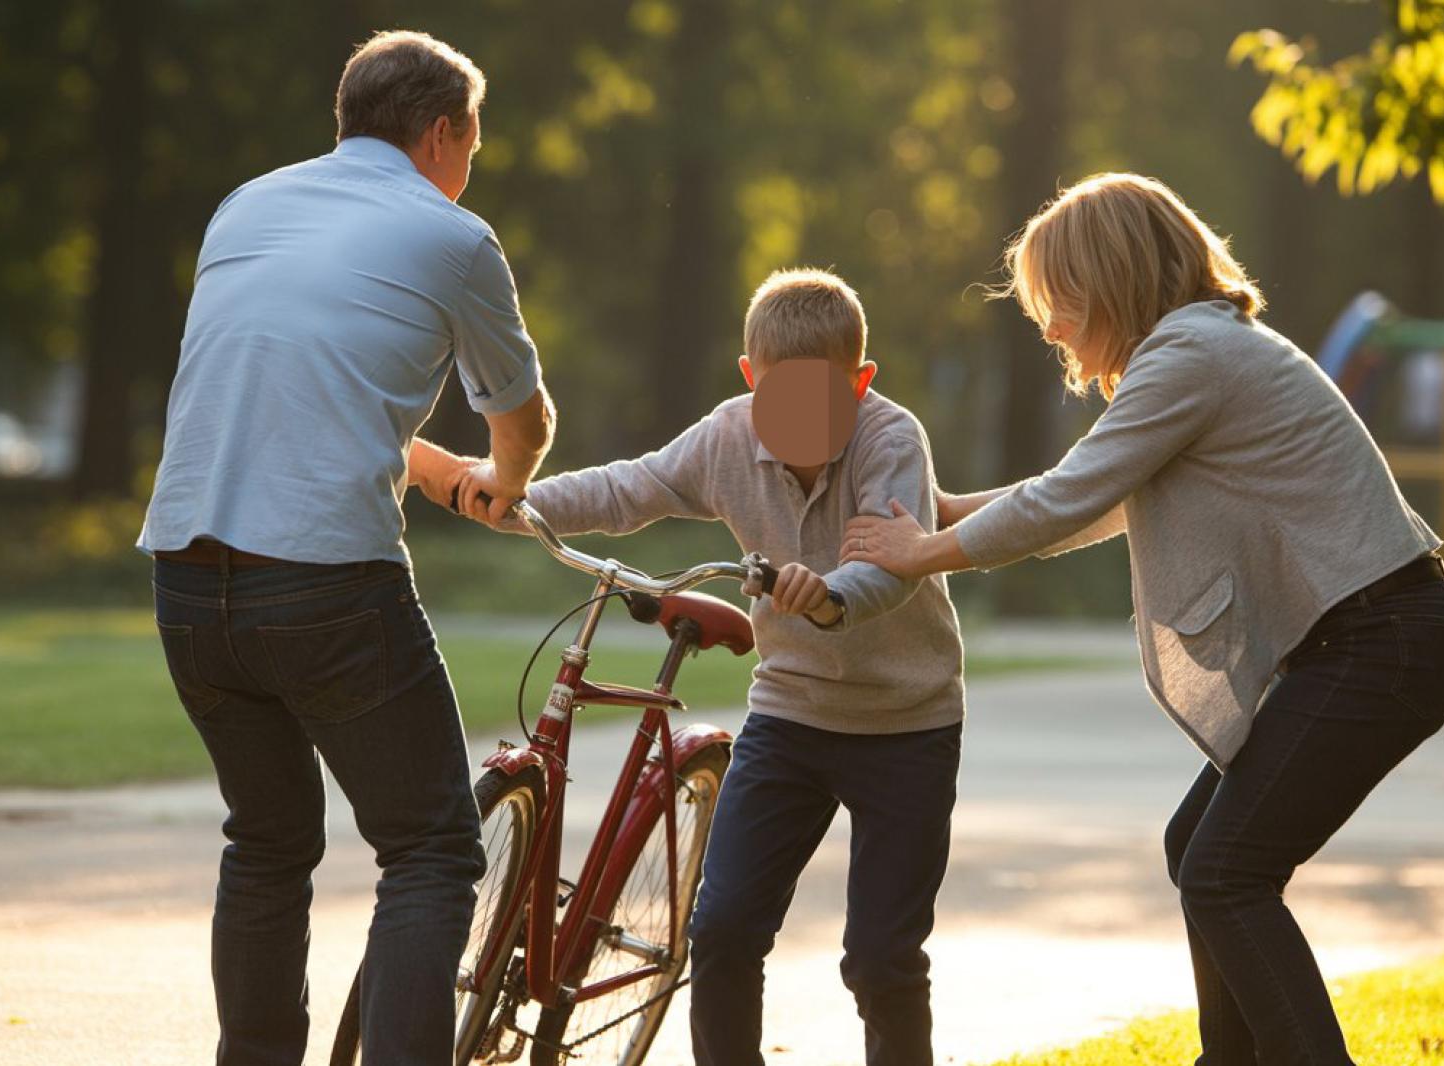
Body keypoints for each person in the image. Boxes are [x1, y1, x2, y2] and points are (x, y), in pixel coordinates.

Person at [842, 173, 1444, 1066]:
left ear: (1113, 278)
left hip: (1384, 642)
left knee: (1227, 872)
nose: (1051, 327)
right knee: (1202, 853)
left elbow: (1071, 495)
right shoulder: (1200, 348)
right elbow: (1100, 496)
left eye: (1060, 299)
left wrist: (922, 552)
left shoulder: (1191, 355)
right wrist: (947, 514)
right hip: (1373, 639)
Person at [137, 30, 555, 1066]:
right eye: (473, 144)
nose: (469, 165)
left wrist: (427, 467)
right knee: (430, 848)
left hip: (186, 579)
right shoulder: (453, 236)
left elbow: (295, 391)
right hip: (326, 586)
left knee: (267, 841)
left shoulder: (247, 206)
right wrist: (504, 483)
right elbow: (524, 419)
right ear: (442, 133)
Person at [458, 268, 965, 1066]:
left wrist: (831, 595)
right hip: (791, 715)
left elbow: (892, 564)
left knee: (881, 959)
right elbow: (634, 487)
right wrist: (520, 502)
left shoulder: (891, 439)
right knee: (722, 931)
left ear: (860, 382)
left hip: (906, 724)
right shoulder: (729, 435)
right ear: (750, 379)